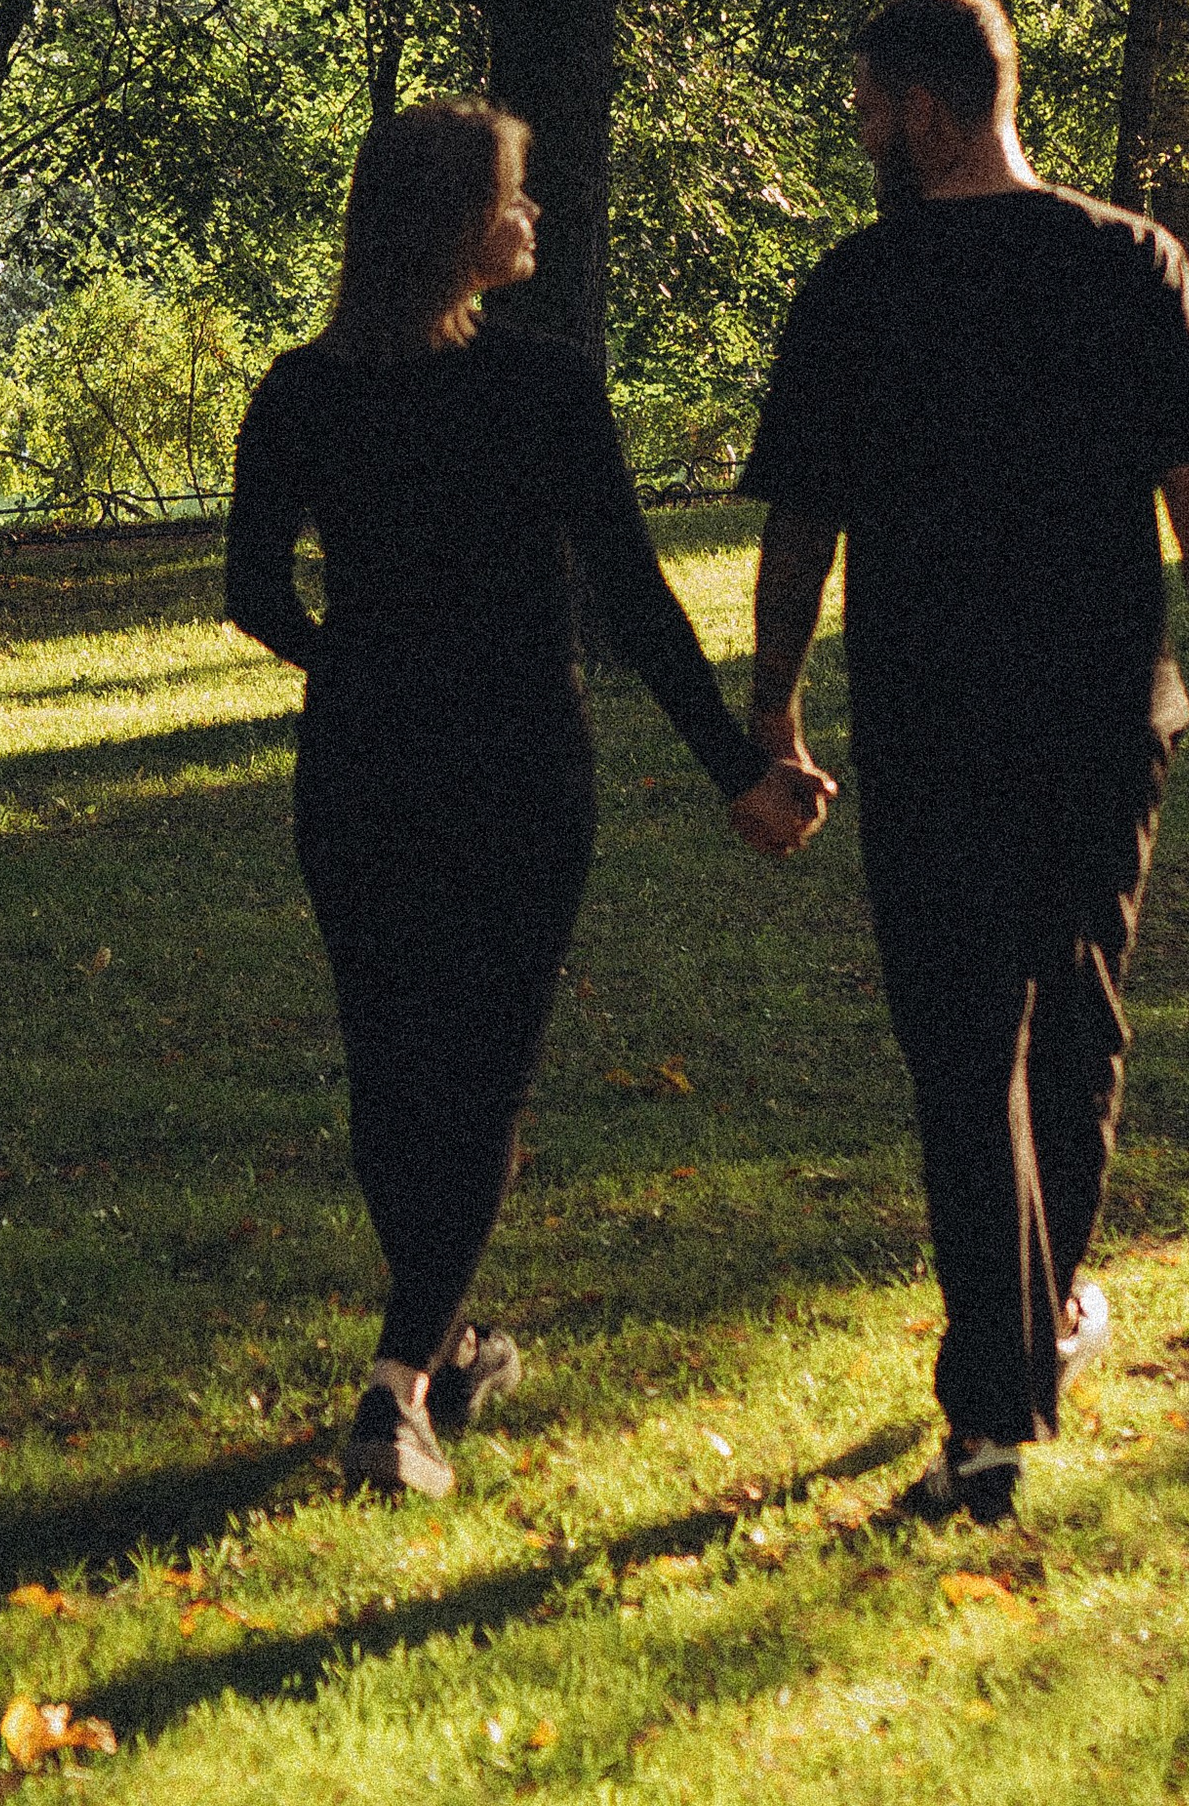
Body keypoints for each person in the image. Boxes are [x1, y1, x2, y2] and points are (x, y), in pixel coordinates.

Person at [226, 98, 832, 1498]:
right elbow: (632, 599)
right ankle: (397, 1388)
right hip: (516, 764)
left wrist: (354, 656)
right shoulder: (547, 386)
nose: (535, 216)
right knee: (483, 1069)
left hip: (363, 759)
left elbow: (254, 594)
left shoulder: (299, 390)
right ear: (457, 223)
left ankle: (443, 1350)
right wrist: (738, 768)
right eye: (516, 194)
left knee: (394, 1061)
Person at [741, 0, 1189, 1530]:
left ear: (924, 103)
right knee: (1078, 1026)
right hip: (1109, 715)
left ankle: (991, 1420)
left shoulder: (856, 289)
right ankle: (1037, 1329)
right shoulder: (1129, 262)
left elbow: (799, 532)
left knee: (967, 1062)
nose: (860, 130)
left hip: (929, 722)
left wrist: (775, 712)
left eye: (867, 104)